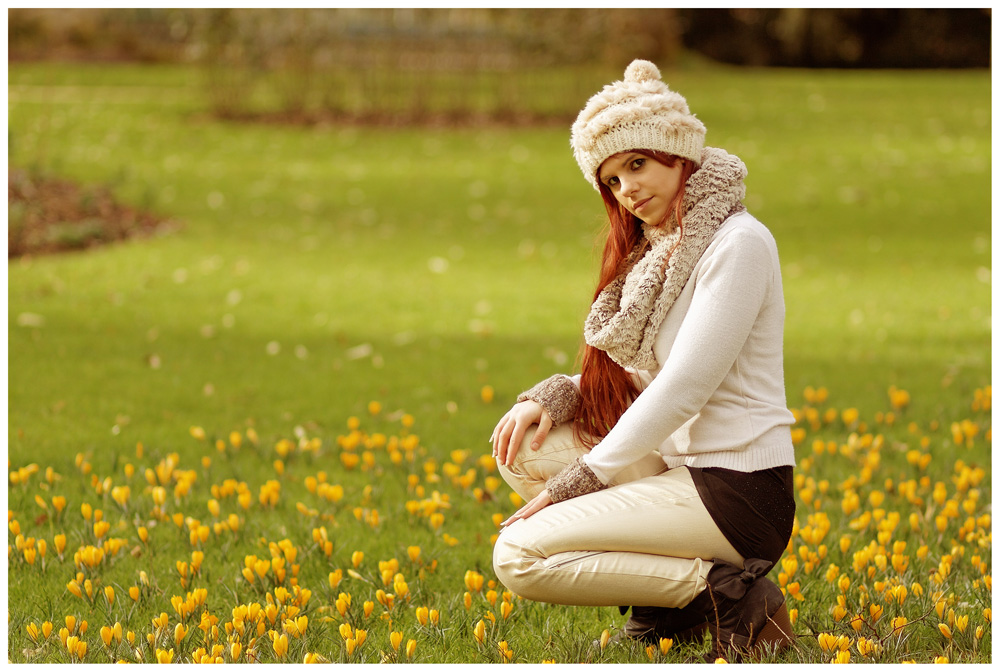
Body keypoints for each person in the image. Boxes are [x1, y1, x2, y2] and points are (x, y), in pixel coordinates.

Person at [489, 59, 797, 662]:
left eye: (638, 163)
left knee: (518, 555)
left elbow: (684, 386)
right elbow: (644, 372)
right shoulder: (661, 254)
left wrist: (586, 479)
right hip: (683, 473)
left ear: (679, 156)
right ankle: (665, 598)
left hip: (737, 492)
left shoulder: (738, 243)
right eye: (611, 179)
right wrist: (560, 393)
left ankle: (725, 597)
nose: (627, 188)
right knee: (527, 450)